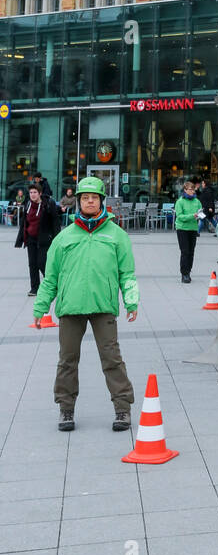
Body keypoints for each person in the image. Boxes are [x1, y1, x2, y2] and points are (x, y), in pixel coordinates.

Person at [32, 176, 138, 432]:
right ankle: (66, 409)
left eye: (94, 197)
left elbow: (127, 273)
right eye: (85, 198)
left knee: (112, 358)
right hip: (71, 308)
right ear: (78, 202)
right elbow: (51, 278)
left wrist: (131, 301)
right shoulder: (64, 237)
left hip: (103, 307)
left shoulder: (117, 235)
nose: (90, 201)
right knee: (67, 361)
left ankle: (122, 409)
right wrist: (40, 307)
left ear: (102, 201)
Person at [15, 182, 62, 295]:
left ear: (40, 193)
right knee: (32, 264)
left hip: (44, 238)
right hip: (31, 238)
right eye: (31, 192)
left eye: (35, 192)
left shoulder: (48, 204)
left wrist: (57, 238)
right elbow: (24, 222)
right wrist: (20, 238)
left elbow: (55, 221)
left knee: (42, 263)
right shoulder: (28, 204)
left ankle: (53, 285)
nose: (32, 195)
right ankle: (35, 288)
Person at [174, 179, 205, 282]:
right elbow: (180, 216)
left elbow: (200, 210)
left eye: (193, 189)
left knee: (191, 252)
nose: (193, 191)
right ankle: (184, 274)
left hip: (193, 228)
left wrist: (200, 215)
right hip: (182, 229)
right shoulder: (180, 202)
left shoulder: (197, 201)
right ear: (185, 190)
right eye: (191, 189)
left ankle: (189, 270)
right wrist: (193, 216)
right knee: (185, 251)